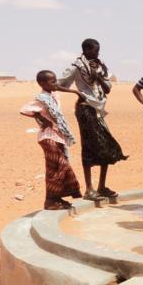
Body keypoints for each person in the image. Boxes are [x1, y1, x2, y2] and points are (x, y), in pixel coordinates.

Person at [59, 38, 127, 201]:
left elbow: (108, 89)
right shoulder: (76, 67)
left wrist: (98, 76)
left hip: (98, 109)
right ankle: (89, 189)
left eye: (98, 51)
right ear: (86, 50)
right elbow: (58, 84)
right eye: (95, 51)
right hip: (85, 109)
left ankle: (101, 187)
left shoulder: (100, 65)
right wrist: (77, 93)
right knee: (89, 146)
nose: (97, 53)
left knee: (107, 146)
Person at [20, 70, 85, 210]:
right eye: (52, 81)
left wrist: (75, 92)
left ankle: (55, 199)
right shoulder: (41, 98)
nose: (55, 83)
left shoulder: (53, 94)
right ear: (42, 84)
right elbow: (24, 109)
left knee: (55, 168)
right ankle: (50, 200)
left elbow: (58, 87)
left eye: (55, 80)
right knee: (61, 165)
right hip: (47, 137)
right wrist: (41, 118)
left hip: (58, 137)